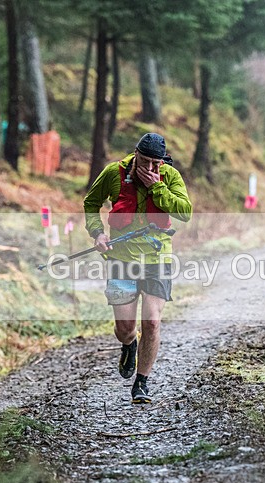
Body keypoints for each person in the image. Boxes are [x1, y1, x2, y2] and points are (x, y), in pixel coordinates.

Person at [84, 133, 192, 403]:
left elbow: (185, 212)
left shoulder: (169, 177)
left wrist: (158, 187)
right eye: (145, 162)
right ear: (135, 155)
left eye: (157, 164)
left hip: (159, 259)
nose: (151, 169)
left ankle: (141, 383)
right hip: (122, 259)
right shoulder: (113, 172)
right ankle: (129, 345)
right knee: (125, 328)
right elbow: (91, 203)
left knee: (152, 322)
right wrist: (98, 233)